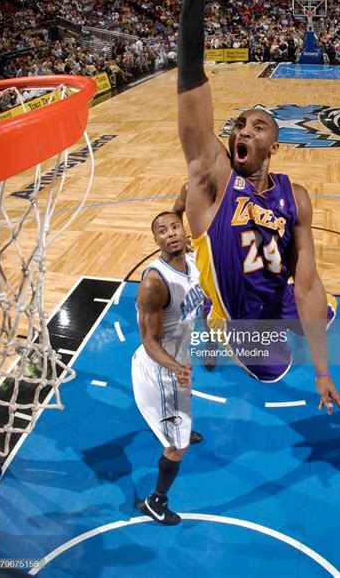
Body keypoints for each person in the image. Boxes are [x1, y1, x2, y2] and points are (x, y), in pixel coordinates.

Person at [176, 0, 340, 415]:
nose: (244, 131)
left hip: (276, 293)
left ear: (275, 144)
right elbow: (192, 77)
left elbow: (306, 282)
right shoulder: (213, 179)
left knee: (323, 312)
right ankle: (210, 319)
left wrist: (323, 372)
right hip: (242, 318)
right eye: (239, 125)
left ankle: (224, 305)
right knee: (275, 368)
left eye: (258, 126)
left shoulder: (296, 197)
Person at [132, 211, 204, 525]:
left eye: (175, 226)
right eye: (162, 230)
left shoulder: (195, 265)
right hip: (160, 371)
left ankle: (178, 426)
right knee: (178, 446)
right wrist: (176, 367)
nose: (171, 233)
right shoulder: (154, 283)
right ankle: (155, 501)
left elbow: (204, 302)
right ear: (156, 240)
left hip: (177, 362)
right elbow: (149, 340)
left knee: (181, 418)